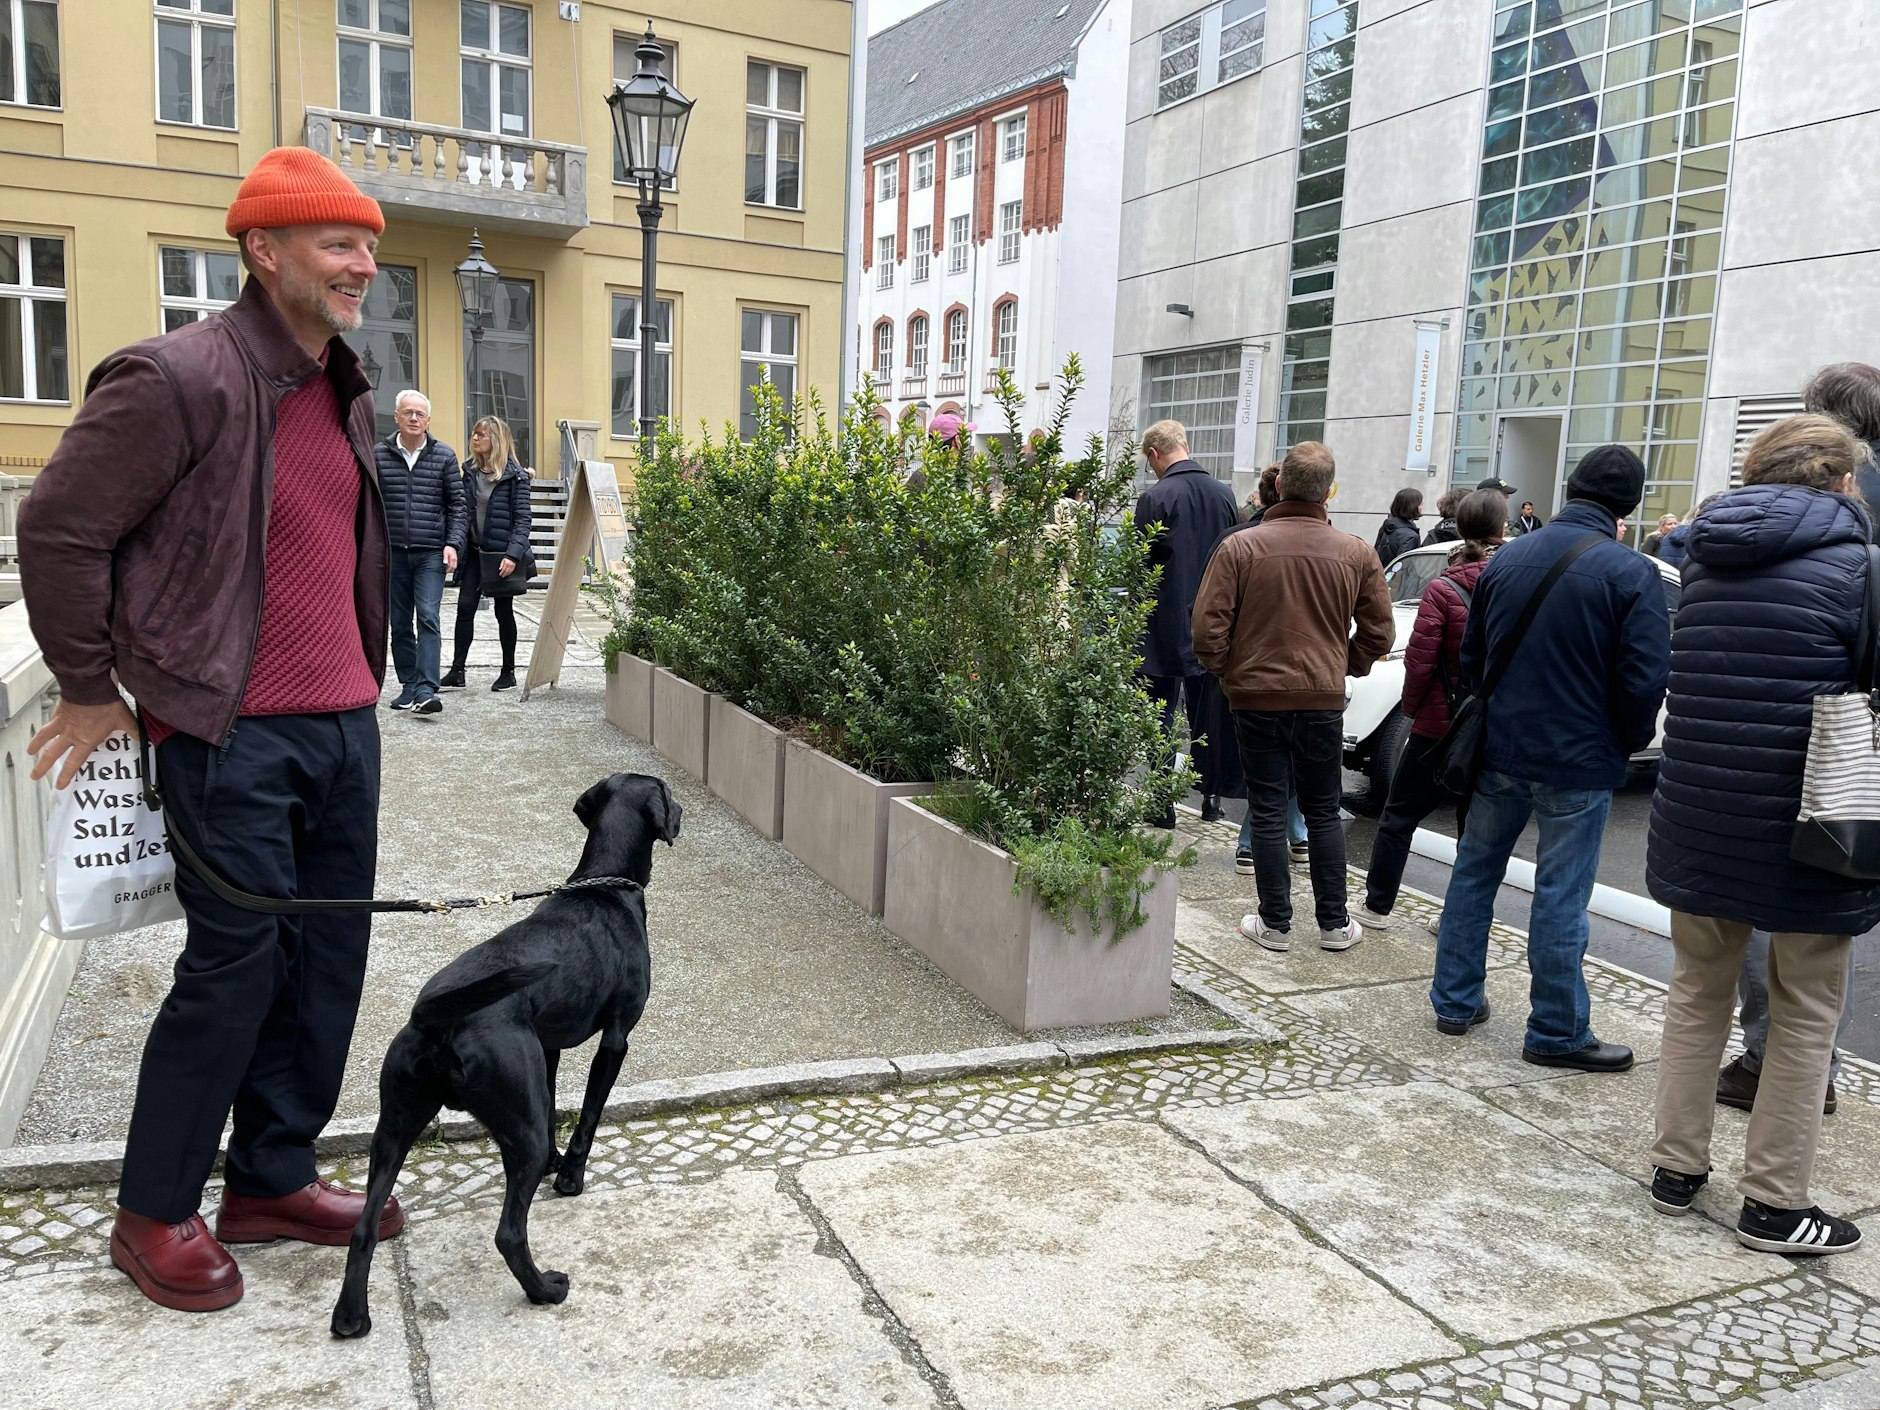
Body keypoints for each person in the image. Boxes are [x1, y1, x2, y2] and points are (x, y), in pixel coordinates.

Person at [16, 147, 400, 1313]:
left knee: (325, 965)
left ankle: (273, 1178)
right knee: (230, 973)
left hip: (342, 726)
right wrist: (90, 687)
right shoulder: (177, 375)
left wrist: (366, 689)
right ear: (262, 250)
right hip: (227, 734)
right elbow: (59, 529)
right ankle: (152, 1210)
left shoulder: (344, 382)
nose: (361, 265)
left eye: (367, 246)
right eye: (337, 244)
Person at [1645, 416, 1877, 1255]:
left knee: (1695, 991)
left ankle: (1676, 1169)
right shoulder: (1858, 569)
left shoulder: (1705, 558)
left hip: (1700, 814)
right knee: (1806, 1009)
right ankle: (1776, 1205)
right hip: (1810, 821)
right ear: (1843, 482)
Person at [1430, 445, 1669, 1070]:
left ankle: (1455, 1001)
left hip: (1502, 748)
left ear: (1570, 488)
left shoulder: (1506, 558)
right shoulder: (1631, 572)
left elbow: (1475, 660)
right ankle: (1557, 1030)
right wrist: (1624, 740)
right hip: (1579, 757)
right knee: (1561, 892)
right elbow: (1644, 679)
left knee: (1474, 871)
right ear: (1629, 506)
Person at [1192, 441, 1393, 953]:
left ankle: (1275, 923)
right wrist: (1343, 664)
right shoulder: (1356, 552)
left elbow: (1207, 628)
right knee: (1323, 809)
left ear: (1278, 486)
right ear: (1330, 491)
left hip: (1256, 695)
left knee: (1267, 806)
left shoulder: (1241, 548)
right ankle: (1333, 922)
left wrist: (1230, 672)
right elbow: (1379, 633)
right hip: (1322, 696)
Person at [1358, 488, 1507, 927]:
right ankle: (1458, 917)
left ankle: (1377, 906)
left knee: (1399, 815)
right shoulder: (1516, 582)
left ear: (1459, 528)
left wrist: (1413, 709)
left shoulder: (1443, 588)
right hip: (1494, 724)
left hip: (1439, 721)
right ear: (1502, 529)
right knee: (1475, 829)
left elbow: (1420, 662)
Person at [1134, 420, 1243, 827]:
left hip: (1163, 623)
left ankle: (1162, 803)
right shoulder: (1224, 493)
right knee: (1207, 714)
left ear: (1155, 455)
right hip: (1214, 621)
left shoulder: (1156, 496)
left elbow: (1141, 566)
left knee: (1159, 715)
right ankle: (1210, 800)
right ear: (1186, 444)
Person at [1203, 464, 1305, 873]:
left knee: (1266, 762)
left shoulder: (1237, 542)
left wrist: (1222, 666)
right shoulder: (1338, 544)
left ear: (1264, 494)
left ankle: (1259, 842)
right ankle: (1292, 834)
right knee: (1292, 758)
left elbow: (1207, 615)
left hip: (1250, 675)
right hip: (1308, 676)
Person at [377, 390, 465, 715]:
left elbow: (457, 505)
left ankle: (427, 689)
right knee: (399, 622)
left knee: (428, 616)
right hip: (393, 554)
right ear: (396, 417)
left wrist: (453, 543)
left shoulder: (444, 456)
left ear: (428, 420)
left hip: (430, 552)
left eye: (420, 414)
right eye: (408, 412)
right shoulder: (380, 455)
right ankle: (409, 685)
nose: (414, 418)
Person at [443, 416, 533, 692]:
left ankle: (508, 672)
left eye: (482, 434)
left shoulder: (516, 477)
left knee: (503, 612)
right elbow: (460, 510)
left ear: (496, 440)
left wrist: (513, 555)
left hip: (501, 555)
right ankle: (457, 670)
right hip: (474, 552)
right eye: (474, 433)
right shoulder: (469, 471)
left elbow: (522, 520)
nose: (476, 438)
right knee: (465, 608)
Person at [1374, 487, 1423, 566]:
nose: (1422, 507)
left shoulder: (1386, 527)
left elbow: (1376, 553)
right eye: (1420, 504)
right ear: (1412, 507)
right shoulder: (1411, 536)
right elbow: (1404, 567)